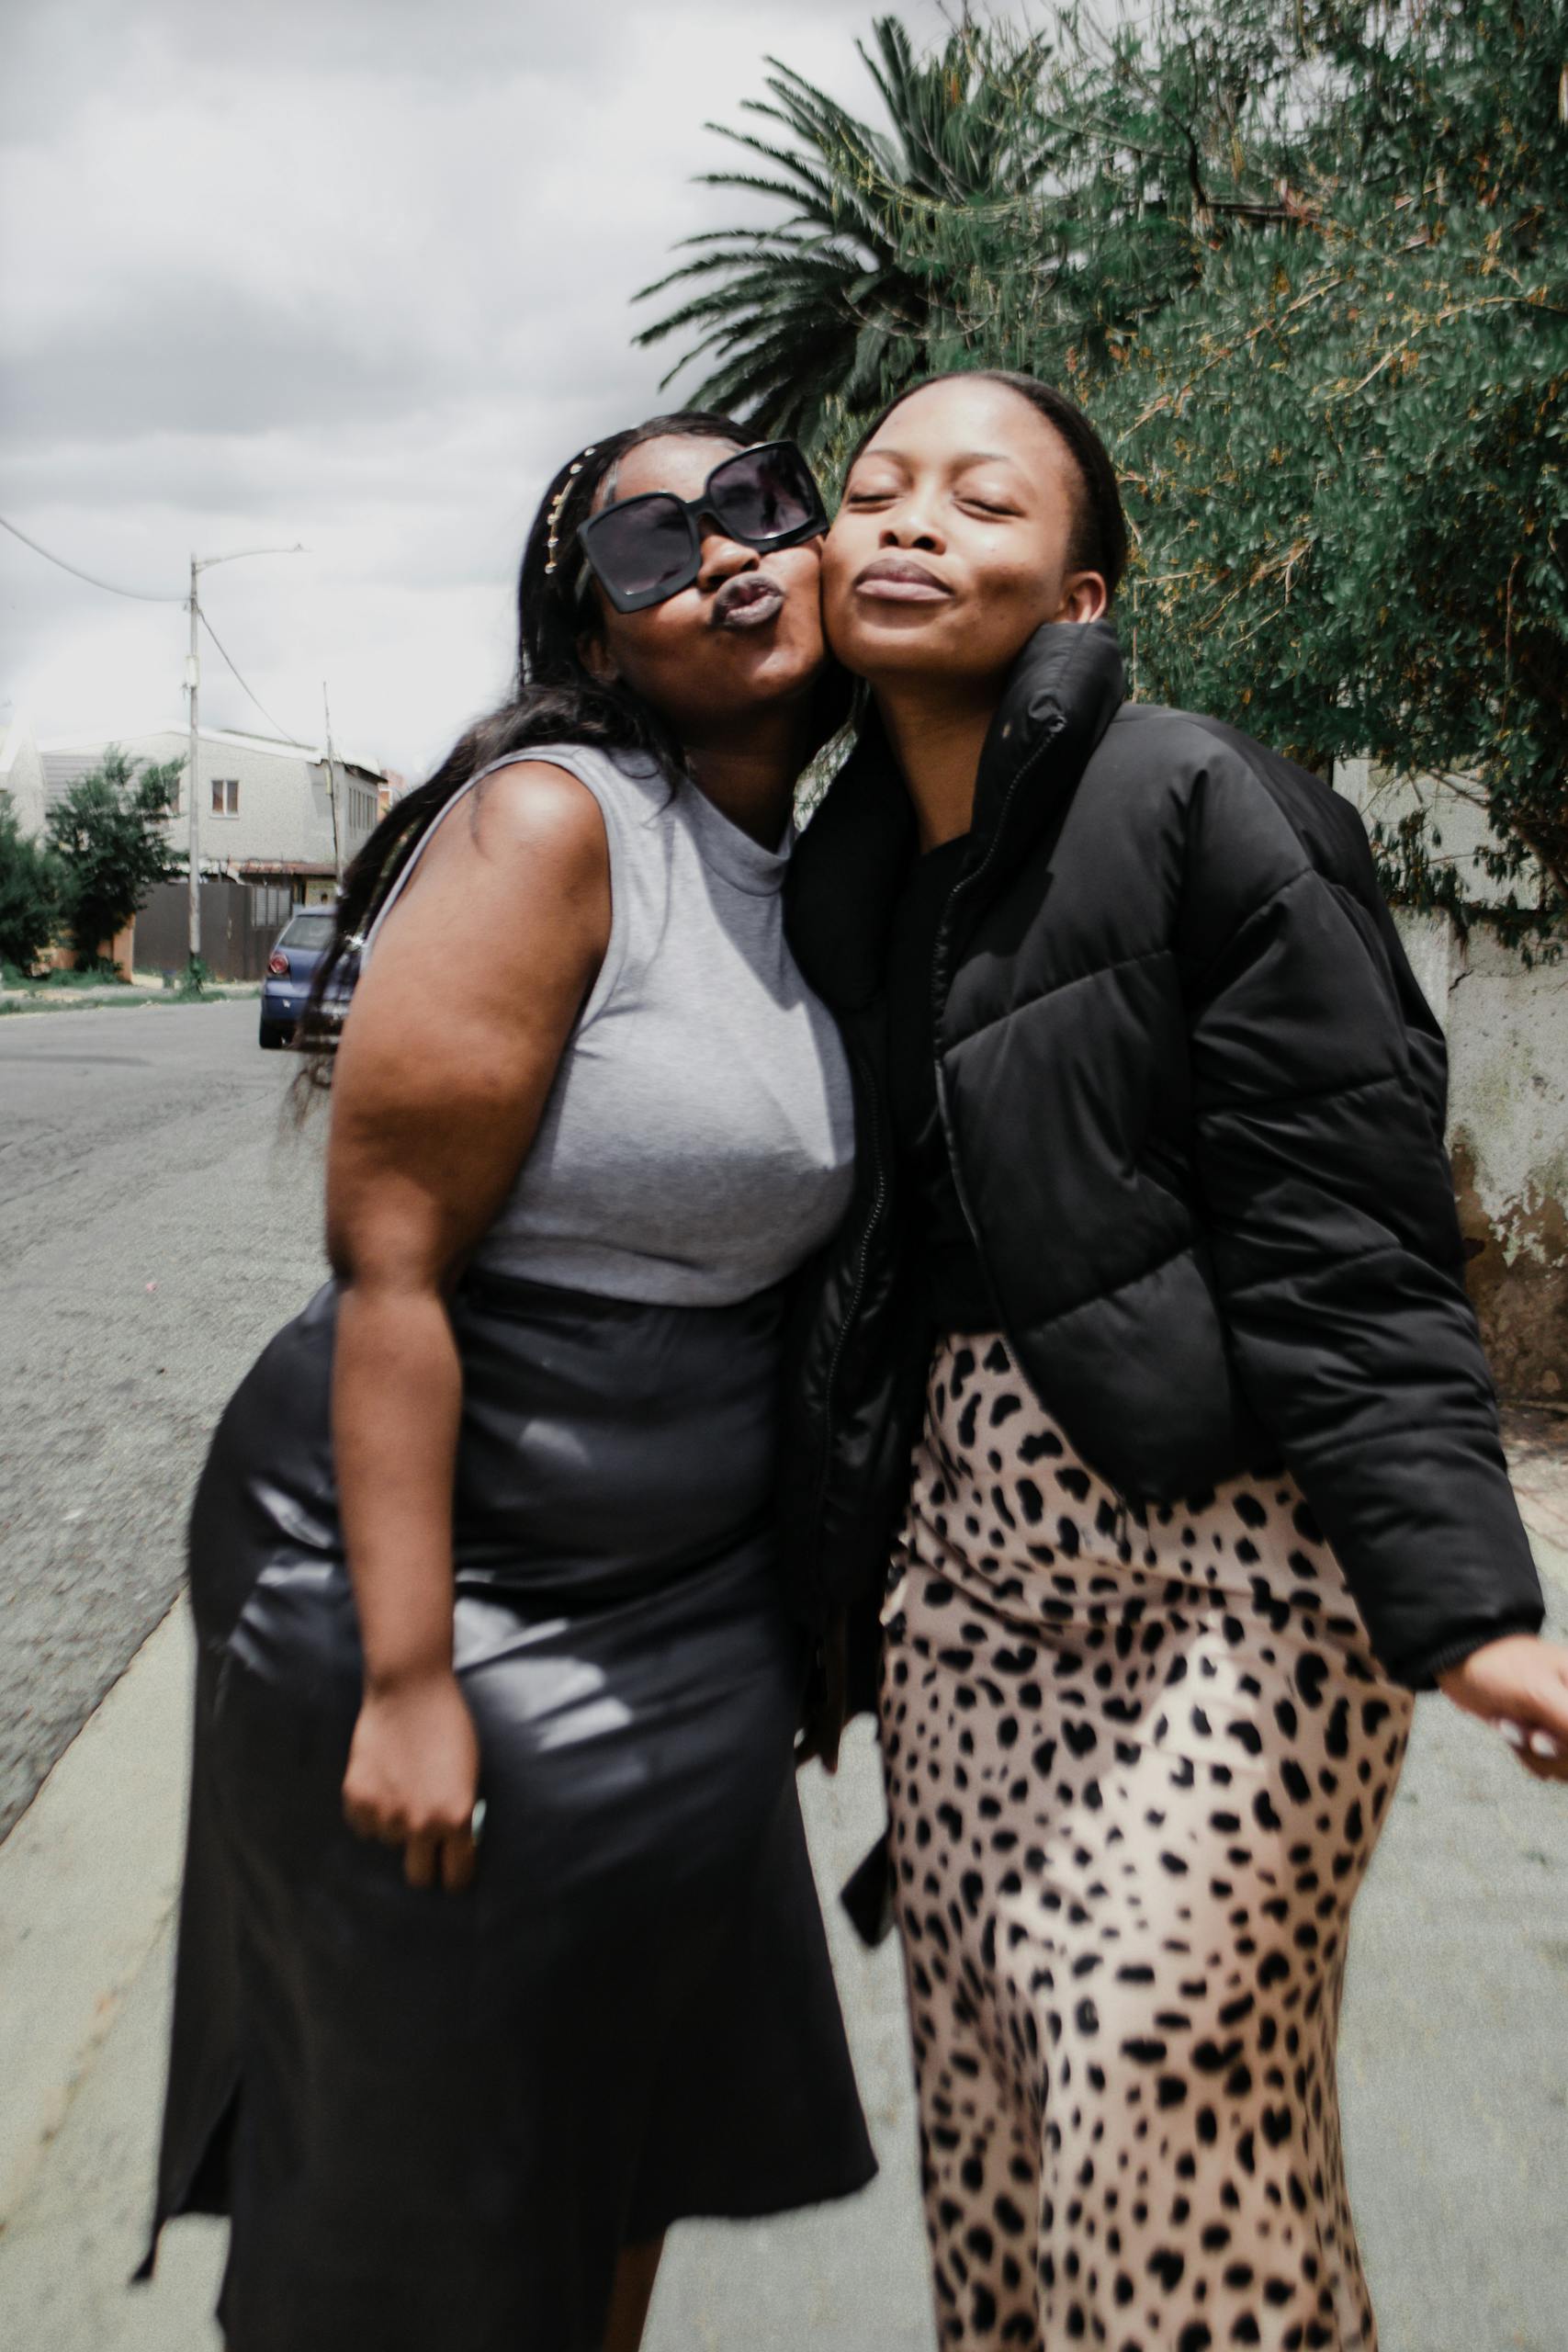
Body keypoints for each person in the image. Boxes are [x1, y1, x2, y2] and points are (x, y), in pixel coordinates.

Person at [781, 368, 1568, 2351]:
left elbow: (1342, 1235)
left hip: (1232, 1560)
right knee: (997, 2110)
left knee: (1152, 2064)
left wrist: (1459, 1601)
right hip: (963, 1589)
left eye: (975, 498)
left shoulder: (1200, 798)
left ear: (1076, 598)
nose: (904, 518)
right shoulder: (839, 870)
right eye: (870, 487)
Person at [141, 413, 876, 2352]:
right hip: (445, 1566)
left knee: (618, 2127)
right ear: (597, 633)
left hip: (684, 1594)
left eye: (752, 504)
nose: (720, 554)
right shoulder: (556, 824)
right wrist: (404, 1676)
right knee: (425, 2190)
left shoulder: (816, 864)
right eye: (648, 546)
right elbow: (386, 1257)